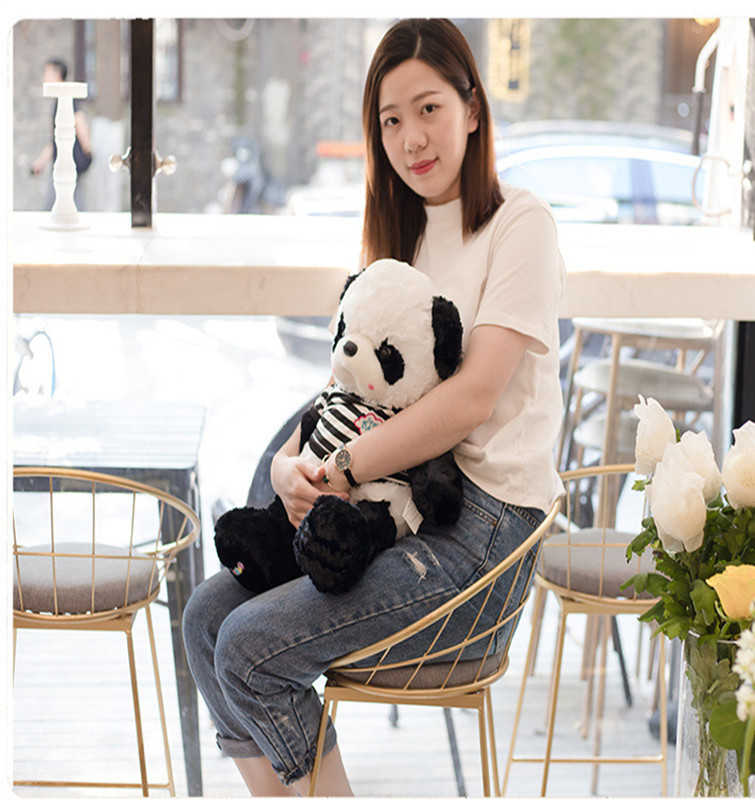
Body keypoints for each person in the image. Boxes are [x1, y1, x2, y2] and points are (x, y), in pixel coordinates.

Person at [182, 18, 565, 796]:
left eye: (428, 109)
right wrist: (292, 468)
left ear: (472, 109)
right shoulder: (399, 239)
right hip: (391, 512)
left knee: (250, 648)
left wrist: (345, 466)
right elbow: (346, 390)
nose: (410, 138)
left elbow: (473, 397)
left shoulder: (520, 224)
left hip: (480, 535)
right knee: (205, 620)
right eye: (390, 120)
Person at [30, 58, 93, 210]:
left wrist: (87, 149)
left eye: (47, 73)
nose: (44, 78)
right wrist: (40, 162)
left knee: (70, 204)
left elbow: (79, 120)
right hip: (63, 163)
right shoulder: (59, 102)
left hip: (71, 163)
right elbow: (54, 140)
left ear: (57, 74)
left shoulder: (67, 100)